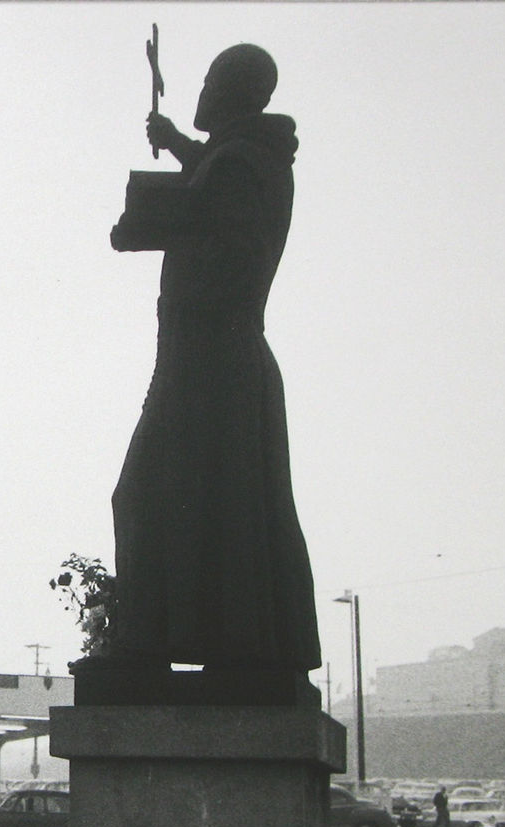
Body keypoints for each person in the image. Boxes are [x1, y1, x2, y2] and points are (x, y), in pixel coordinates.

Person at [108, 44, 321, 674]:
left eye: (208, 81)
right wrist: (175, 144)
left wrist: (160, 218)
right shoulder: (247, 159)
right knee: (227, 505)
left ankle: (151, 647)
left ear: (233, 93)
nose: (199, 90)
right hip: (214, 359)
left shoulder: (238, 166)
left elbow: (227, 248)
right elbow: (216, 178)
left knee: (149, 496)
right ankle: (222, 647)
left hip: (205, 362)